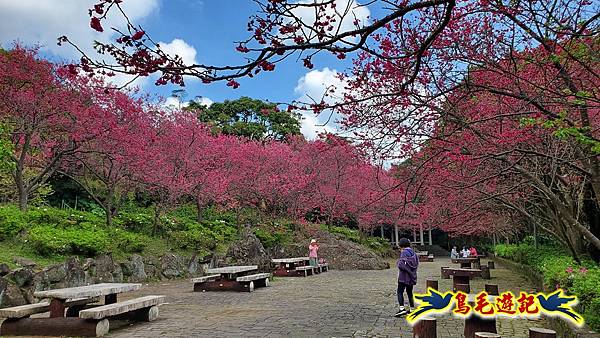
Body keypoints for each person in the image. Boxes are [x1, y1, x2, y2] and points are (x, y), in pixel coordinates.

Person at [395, 238, 419, 317]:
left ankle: (402, 309)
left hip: (403, 276)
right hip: (411, 276)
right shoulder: (413, 253)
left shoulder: (404, 252)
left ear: (401, 245)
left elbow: (401, 265)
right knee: (409, 292)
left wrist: (398, 262)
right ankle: (412, 309)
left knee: (400, 291)